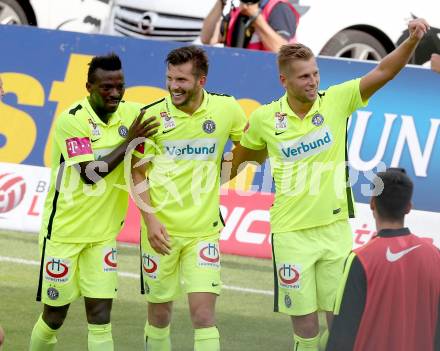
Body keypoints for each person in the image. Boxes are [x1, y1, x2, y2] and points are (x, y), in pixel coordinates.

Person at [228, 18, 431, 351]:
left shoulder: (336, 101)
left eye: (315, 73)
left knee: (343, 326)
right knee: (305, 331)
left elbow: (383, 72)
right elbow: (240, 162)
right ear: (284, 80)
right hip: (291, 235)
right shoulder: (265, 119)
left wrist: (410, 42)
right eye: (304, 76)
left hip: (335, 232)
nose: (313, 81)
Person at [29, 53, 159, 350]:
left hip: (102, 236)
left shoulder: (133, 115)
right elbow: (90, 174)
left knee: (100, 316)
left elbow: (171, 119)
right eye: (106, 87)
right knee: (54, 316)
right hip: (64, 233)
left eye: (120, 86)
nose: (114, 93)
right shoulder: (72, 121)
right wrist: (129, 142)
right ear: (89, 87)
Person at [130, 45, 247, 351]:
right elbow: (137, 173)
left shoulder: (227, 109)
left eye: (181, 80)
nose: (173, 86)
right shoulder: (152, 116)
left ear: (201, 81)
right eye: (169, 78)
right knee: (159, 313)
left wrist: (225, 173)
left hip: (203, 233)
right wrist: (151, 221)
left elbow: (251, 146)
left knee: (204, 315)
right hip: (160, 233)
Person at [326, 168, 440, 351]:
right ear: (409, 207)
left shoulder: (360, 259)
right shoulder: (435, 256)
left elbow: (343, 332)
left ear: (372, 203)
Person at [200, 0, 299, 52]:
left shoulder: (278, 8)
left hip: (267, 82)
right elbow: (207, 39)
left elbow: (281, 50)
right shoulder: (238, 12)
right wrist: (221, 2)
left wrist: (255, 16)